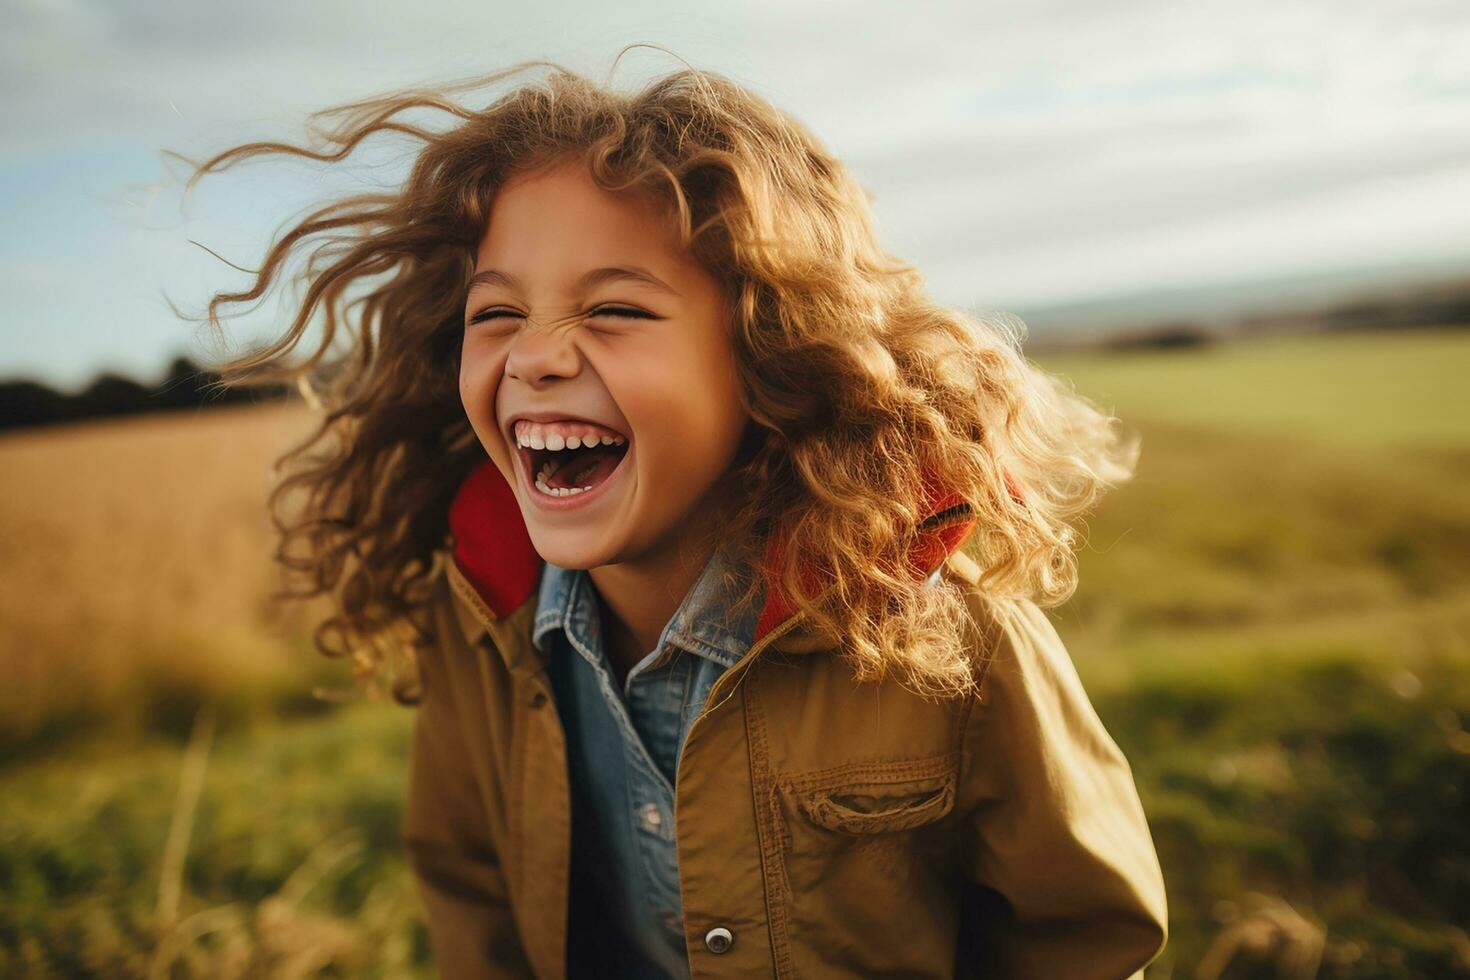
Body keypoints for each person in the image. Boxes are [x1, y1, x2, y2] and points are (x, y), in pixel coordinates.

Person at [183, 48, 1167, 979]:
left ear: (770, 352)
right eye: (498, 314)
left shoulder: (954, 642)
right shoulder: (480, 615)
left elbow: (1082, 935)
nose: (535, 356)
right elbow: (468, 882)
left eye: (613, 309)